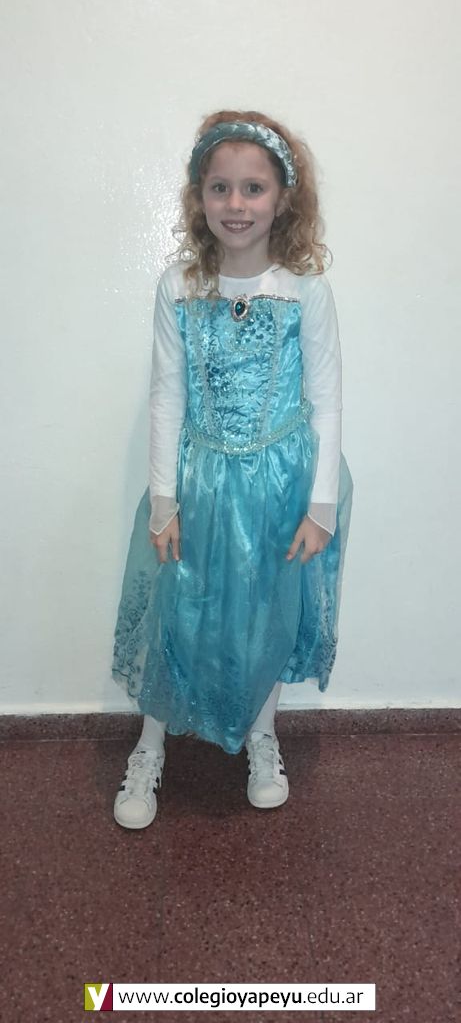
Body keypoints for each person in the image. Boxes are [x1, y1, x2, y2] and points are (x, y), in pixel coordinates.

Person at [111, 110, 353, 829]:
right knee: (177, 611)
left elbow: (326, 398)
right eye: (220, 187)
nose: (236, 203)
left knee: (266, 614)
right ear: (200, 196)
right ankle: (149, 746)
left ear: (283, 197)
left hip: (280, 484)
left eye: (254, 188)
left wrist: (321, 506)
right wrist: (164, 500)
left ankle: (262, 734)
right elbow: (167, 394)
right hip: (200, 483)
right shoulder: (179, 287)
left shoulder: (303, 289)